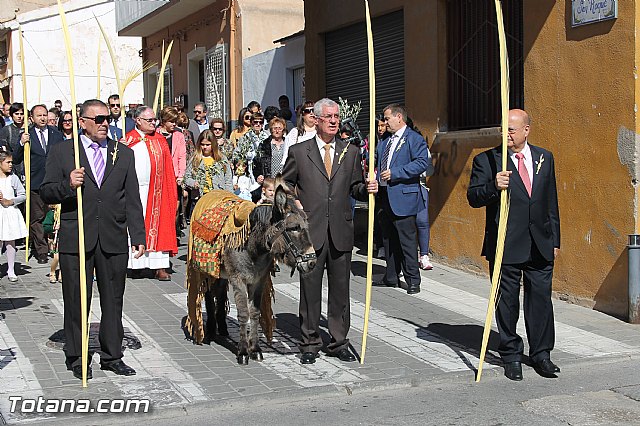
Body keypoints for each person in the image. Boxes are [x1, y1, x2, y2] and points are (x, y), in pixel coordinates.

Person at [41, 99, 146, 380]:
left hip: (112, 236)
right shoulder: (64, 153)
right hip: (77, 237)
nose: (104, 124)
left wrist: (138, 235)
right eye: (97, 119)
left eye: (107, 119)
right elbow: (46, 191)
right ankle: (76, 356)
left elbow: (132, 197)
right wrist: (68, 184)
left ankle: (112, 355)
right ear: (82, 121)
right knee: (76, 300)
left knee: (113, 299)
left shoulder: (122, 153)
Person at [467, 108, 561, 381]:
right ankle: (511, 354)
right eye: (503, 128)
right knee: (506, 302)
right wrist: (493, 187)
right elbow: (473, 197)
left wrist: (554, 238)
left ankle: (542, 353)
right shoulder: (487, 160)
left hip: (539, 242)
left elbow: (550, 201)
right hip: (505, 243)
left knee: (541, 300)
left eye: (511, 128)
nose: (506, 133)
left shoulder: (545, 157)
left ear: (526, 130)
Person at [282, 98, 378, 365]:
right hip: (310, 232)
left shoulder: (351, 151)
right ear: (317, 119)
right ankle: (310, 342)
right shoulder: (300, 152)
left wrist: (368, 189)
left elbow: (356, 186)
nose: (335, 120)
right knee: (310, 290)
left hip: (340, 230)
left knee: (340, 290)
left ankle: (338, 341)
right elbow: (285, 185)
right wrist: (294, 204)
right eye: (329, 116)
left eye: (337, 116)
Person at [374, 104, 431, 295]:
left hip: (404, 198)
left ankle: (413, 279)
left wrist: (396, 173)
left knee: (407, 241)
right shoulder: (384, 141)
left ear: (399, 117)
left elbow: (422, 163)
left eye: (387, 118)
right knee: (388, 240)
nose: (385, 122)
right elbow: (377, 161)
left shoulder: (413, 139)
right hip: (384, 197)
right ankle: (391, 276)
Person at [125, 106, 177, 281]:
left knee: (159, 226)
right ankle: (136, 266)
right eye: (149, 120)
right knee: (136, 225)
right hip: (134, 191)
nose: (153, 123)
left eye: (154, 120)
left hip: (156, 191)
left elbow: (168, 167)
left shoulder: (160, 140)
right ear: (138, 120)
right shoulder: (128, 140)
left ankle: (159, 266)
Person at [14, 104, 65, 264]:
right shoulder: (27, 135)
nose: (42, 118)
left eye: (44, 115)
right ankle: (41, 250)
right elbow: (16, 158)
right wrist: (22, 143)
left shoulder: (56, 134)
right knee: (36, 218)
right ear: (32, 118)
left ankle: (56, 246)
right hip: (35, 182)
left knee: (55, 217)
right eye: (39, 116)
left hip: (54, 181)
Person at [0, 148, 27, 282]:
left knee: (10, 241)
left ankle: (11, 269)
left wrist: (10, 201)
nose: (11, 164)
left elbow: (23, 195)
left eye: (11, 162)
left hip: (9, 211)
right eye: (8, 162)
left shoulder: (13, 178)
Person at [183, 129, 233, 197]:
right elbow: (186, 177)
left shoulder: (221, 158)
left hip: (218, 196)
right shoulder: (195, 159)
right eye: (202, 144)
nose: (205, 147)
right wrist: (193, 183)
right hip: (200, 197)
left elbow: (228, 179)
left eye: (208, 145)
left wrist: (229, 196)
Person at [254, 117, 287, 184]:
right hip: (269, 181)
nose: (277, 131)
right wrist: (258, 175)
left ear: (283, 130)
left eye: (279, 128)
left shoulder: (288, 144)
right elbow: (256, 163)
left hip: (285, 180)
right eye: (275, 128)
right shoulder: (264, 145)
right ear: (271, 130)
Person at [282, 100, 316, 166]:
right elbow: (286, 157)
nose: (312, 113)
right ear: (302, 114)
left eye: (313, 110)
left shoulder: (321, 132)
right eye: (308, 111)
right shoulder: (294, 133)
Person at [0, 103, 28, 181]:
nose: (19, 116)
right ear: (12, 115)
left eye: (22, 114)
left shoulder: (30, 129)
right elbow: (4, 151)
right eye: (16, 114)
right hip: (14, 168)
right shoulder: (7, 130)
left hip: (29, 167)